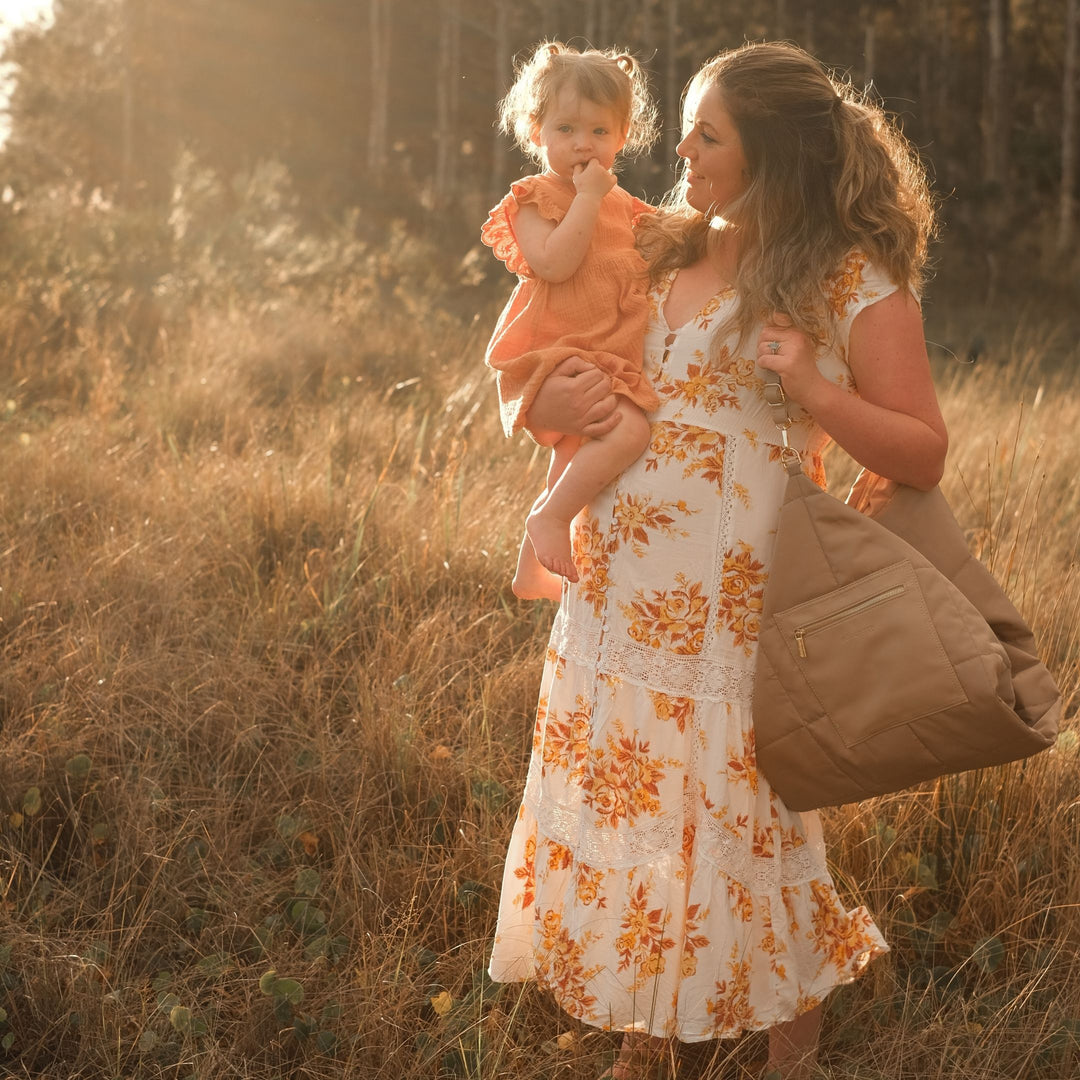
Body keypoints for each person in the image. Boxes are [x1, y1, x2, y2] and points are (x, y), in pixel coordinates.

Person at [487, 41, 947, 1080]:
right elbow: (555, 342)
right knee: (633, 799)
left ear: (772, 153)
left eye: (707, 133)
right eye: (686, 125)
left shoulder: (848, 279)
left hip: (737, 598)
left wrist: (818, 392)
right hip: (621, 581)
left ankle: (791, 1051)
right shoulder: (663, 241)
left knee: (748, 811)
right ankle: (652, 1030)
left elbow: (922, 446)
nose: (679, 149)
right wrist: (540, 406)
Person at [481, 42, 661, 601]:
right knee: (627, 429)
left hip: (606, 347)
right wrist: (586, 197)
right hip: (558, 345)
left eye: (599, 132)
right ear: (536, 131)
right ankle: (551, 518)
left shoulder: (628, 207)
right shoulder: (537, 196)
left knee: (581, 442)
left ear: (623, 136)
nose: (583, 143)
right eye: (566, 128)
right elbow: (555, 263)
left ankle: (530, 568)